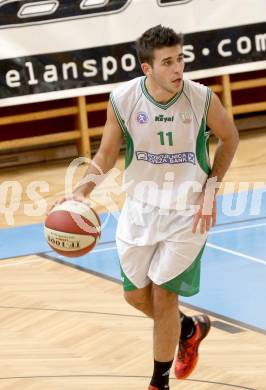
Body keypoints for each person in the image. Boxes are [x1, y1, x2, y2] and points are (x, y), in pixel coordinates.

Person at [61, 25, 239, 389]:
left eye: (181, 59)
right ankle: (189, 328)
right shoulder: (123, 99)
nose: (178, 69)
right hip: (140, 209)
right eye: (168, 62)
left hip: (187, 212)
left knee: (163, 292)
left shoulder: (201, 98)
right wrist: (81, 193)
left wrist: (211, 187)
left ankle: (159, 382)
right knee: (135, 296)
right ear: (148, 69)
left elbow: (230, 137)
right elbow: (106, 155)